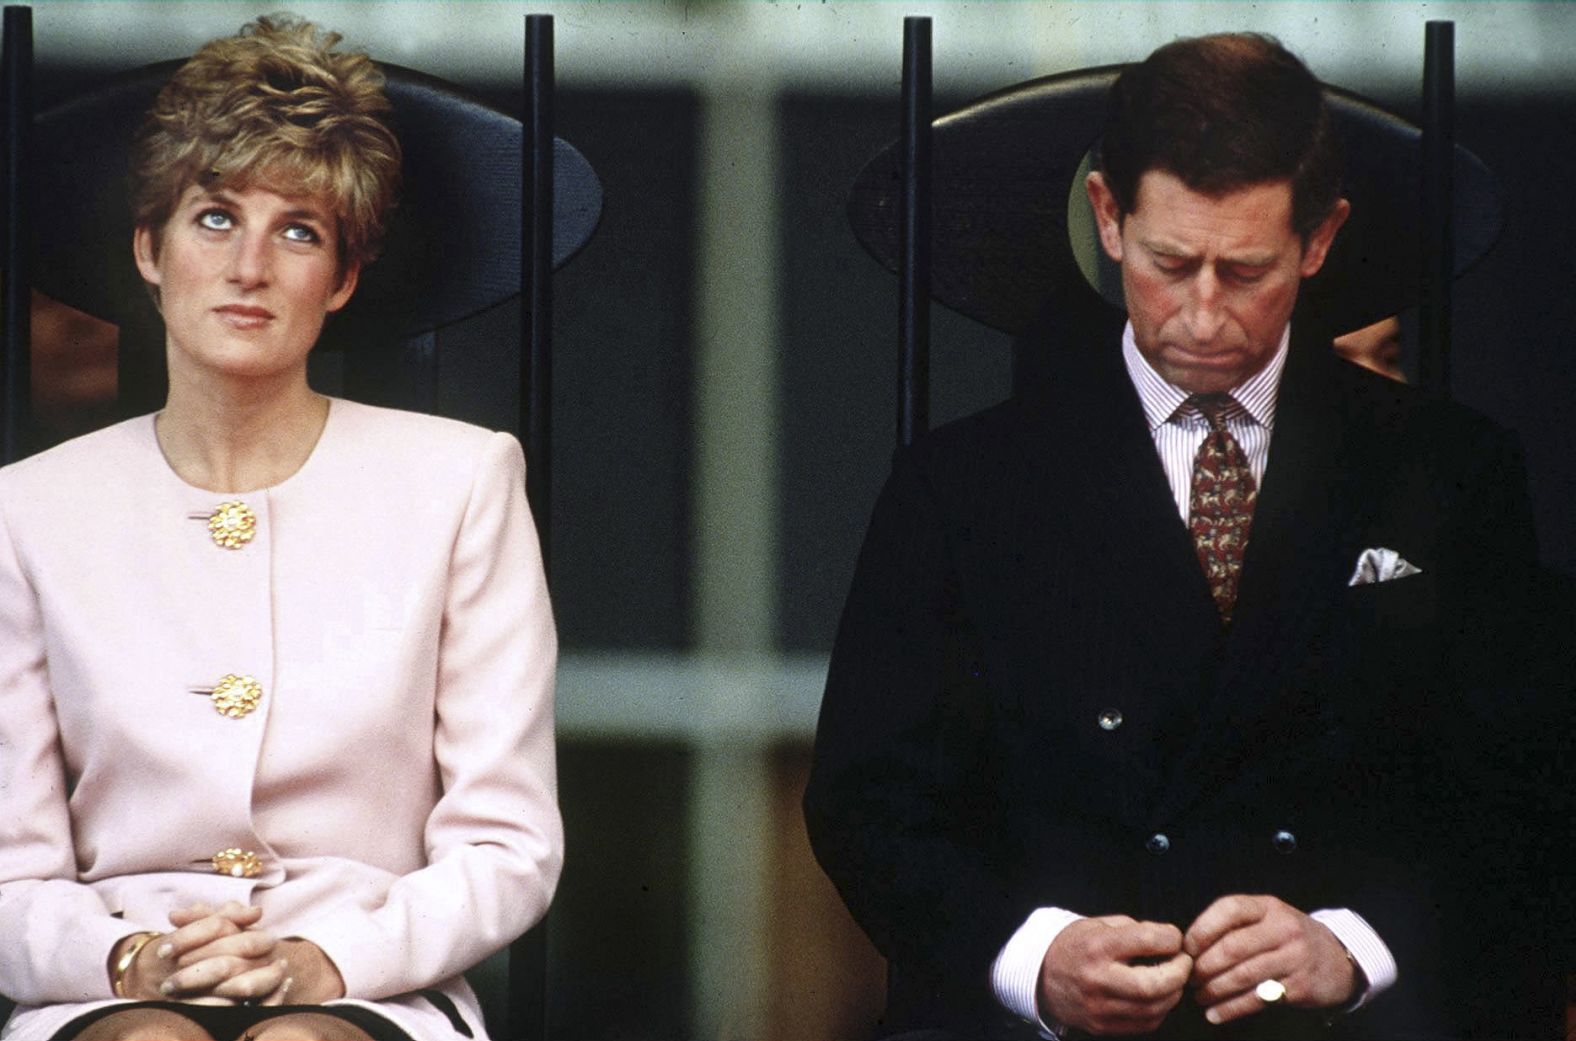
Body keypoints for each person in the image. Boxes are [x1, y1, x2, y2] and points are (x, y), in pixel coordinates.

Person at [804, 33, 1543, 1040]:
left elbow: (1525, 795)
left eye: (1245, 271)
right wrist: (1033, 956)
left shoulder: (1451, 472)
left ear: (1318, 241)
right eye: (1168, 263)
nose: (1201, 314)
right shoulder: (961, 486)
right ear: (1108, 217)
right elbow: (866, 796)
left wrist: (1354, 944)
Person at [0, 16, 561, 1041]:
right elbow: (6, 865)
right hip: (107, 981)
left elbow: (507, 844)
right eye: (215, 219)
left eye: (298, 230)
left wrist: (326, 963)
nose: (250, 265)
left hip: (371, 978)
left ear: (340, 278)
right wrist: (128, 960)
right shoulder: (25, 510)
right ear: (149, 251)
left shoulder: (463, 480)